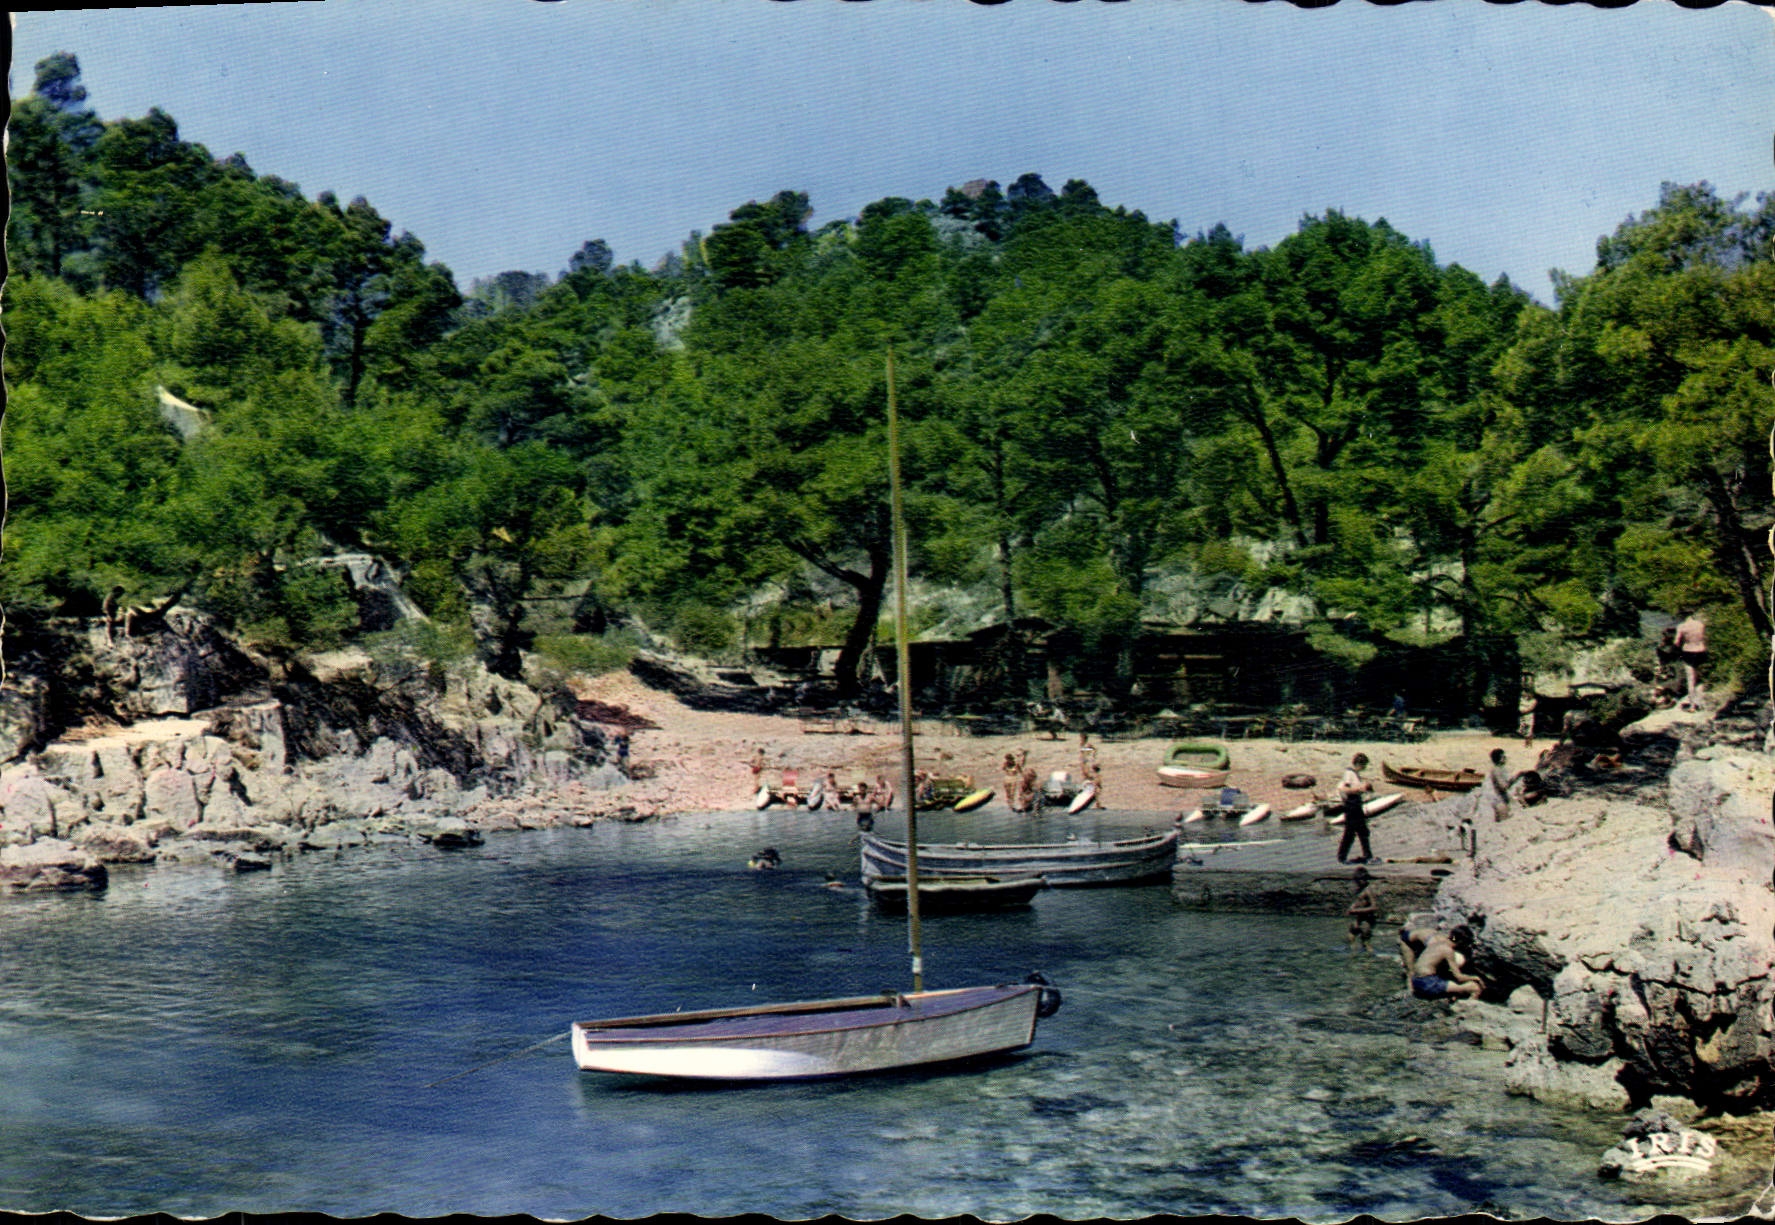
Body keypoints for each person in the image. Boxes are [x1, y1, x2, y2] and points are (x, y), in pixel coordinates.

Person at [1407, 924, 1486, 1000]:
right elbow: (1459, 977)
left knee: (1451, 983)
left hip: (1416, 980)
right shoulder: (1448, 950)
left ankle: (1454, 996)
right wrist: (1476, 978)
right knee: (1475, 988)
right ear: (1461, 942)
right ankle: (1466, 1009)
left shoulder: (1438, 943)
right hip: (1428, 983)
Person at [1336, 753, 1374, 864]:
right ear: (1358, 763)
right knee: (1350, 832)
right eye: (1364, 765)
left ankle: (1368, 855)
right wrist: (1360, 789)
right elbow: (1345, 789)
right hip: (1351, 805)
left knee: (1362, 831)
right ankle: (1342, 857)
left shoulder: (1355, 774)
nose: (1364, 768)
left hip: (1356, 804)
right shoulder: (1349, 773)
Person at [1480, 748, 1527, 823]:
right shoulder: (1496, 770)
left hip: (1503, 799)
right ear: (1499, 759)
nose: (1505, 758)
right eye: (1503, 757)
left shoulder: (1500, 769)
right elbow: (1503, 787)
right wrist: (1516, 777)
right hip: (1500, 800)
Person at [1672, 610, 1707, 711]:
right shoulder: (1700, 624)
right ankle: (1700, 703)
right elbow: (1704, 638)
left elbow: (1676, 642)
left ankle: (1692, 706)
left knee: (1690, 679)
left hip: (1689, 651)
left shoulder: (1682, 626)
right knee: (1700, 679)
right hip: (1701, 650)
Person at [1346, 868, 1380, 951]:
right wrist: (1352, 907)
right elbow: (1358, 901)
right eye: (1357, 880)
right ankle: (1354, 956)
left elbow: (1374, 907)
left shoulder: (1368, 890)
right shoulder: (1360, 889)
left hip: (1367, 919)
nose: (1359, 882)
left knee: (1366, 942)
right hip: (1359, 918)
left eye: (1362, 879)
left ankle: (1369, 960)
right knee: (1350, 936)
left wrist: (1356, 911)